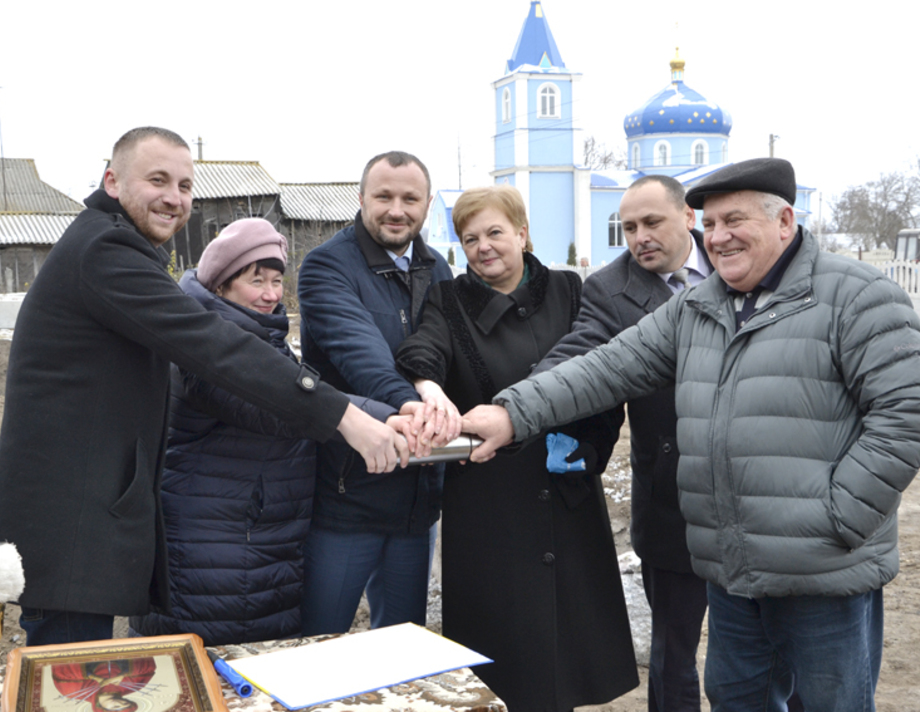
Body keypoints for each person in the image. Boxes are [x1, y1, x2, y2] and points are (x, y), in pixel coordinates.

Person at [463, 158, 920, 712]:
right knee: (733, 698)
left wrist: (839, 515)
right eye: (711, 223)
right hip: (731, 567)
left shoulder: (856, 296)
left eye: (735, 221)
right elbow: (608, 367)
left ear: (784, 222)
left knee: (829, 704)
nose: (718, 237)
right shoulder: (697, 307)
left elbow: (905, 413)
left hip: (822, 572)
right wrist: (512, 413)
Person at [0, 127, 408, 646]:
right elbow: (215, 347)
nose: (175, 198)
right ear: (112, 181)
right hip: (75, 532)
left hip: (84, 526)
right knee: (72, 688)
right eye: (157, 180)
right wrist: (347, 418)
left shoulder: (112, 247)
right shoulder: (105, 251)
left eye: (186, 185)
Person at [395, 185, 638, 711]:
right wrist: (428, 386)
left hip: (566, 486)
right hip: (489, 497)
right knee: (501, 655)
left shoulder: (572, 291)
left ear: (523, 233)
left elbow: (605, 376)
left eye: (495, 233)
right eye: (469, 239)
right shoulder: (449, 299)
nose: (483, 247)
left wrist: (591, 447)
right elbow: (424, 347)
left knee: (565, 656)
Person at [130, 218, 406, 645]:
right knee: (217, 672)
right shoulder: (204, 349)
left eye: (277, 280)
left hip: (256, 540)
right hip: (215, 550)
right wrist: (384, 418)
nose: (272, 294)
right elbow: (279, 404)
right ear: (220, 285)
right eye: (256, 281)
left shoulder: (262, 338)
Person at [536, 174, 710, 712]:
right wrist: (523, 400)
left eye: (652, 222)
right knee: (675, 653)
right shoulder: (610, 289)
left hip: (758, 499)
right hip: (671, 499)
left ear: (688, 217)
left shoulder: (739, 261)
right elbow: (586, 360)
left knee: (766, 648)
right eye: (628, 227)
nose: (639, 237)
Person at [298, 151, 457, 634]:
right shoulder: (327, 266)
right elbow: (360, 355)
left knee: (401, 648)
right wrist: (414, 402)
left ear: (428, 203)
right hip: (350, 492)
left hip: (417, 493)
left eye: (410, 198)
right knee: (320, 643)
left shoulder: (438, 271)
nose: (396, 209)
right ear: (361, 197)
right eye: (383, 196)